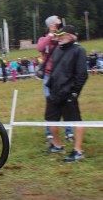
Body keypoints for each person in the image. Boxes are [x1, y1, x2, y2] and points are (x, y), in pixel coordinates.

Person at [44, 25, 88, 162]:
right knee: (50, 120)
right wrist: (50, 86)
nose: (60, 37)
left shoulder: (79, 50)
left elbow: (82, 75)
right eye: (59, 34)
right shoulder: (57, 50)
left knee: (76, 121)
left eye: (63, 34)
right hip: (54, 92)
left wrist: (75, 92)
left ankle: (78, 151)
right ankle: (57, 146)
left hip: (69, 93)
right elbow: (54, 70)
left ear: (71, 36)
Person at [36, 15, 74, 144]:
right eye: (58, 24)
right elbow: (40, 47)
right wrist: (51, 34)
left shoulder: (61, 38)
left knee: (66, 104)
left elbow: (71, 45)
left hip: (62, 77)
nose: (60, 26)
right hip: (48, 77)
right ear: (51, 25)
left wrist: (60, 36)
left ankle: (69, 132)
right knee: (51, 105)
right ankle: (50, 135)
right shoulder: (45, 38)